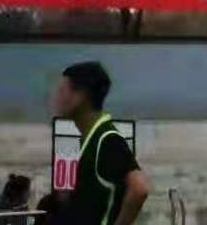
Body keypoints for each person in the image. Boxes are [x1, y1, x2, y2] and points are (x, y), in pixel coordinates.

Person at [54, 62, 150, 225]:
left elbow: (139, 188)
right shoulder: (91, 138)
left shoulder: (107, 139)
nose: (57, 98)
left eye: (62, 91)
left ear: (80, 96)